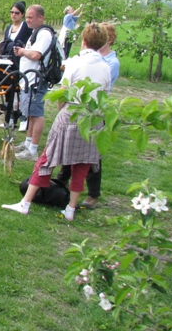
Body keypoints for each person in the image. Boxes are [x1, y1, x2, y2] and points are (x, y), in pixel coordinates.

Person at [2, 23, 111, 221]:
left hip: (72, 113)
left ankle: (25, 203)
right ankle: (70, 208)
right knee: (83, 163)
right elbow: (104, 93)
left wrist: (62, 111)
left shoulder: (75, 63)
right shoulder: (105, 66)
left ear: (84, 41)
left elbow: (64, 92)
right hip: (93, 118)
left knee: (47, 158)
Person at [56, 22, 120, 209]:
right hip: (79, 108)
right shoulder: (94, 59)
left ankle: (93, 193)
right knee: (72, 144)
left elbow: (100, 86)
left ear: (109, 39)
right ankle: (62, 178)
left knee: (92, 154)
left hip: (93, 110)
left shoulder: (110, 63)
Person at [13, 5, 53, 161]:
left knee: (36, 114)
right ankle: (28, 143)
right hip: (29, 80)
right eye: (27, 17)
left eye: (30, 17)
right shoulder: (36, 33)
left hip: (36, 80)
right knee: (30, 113)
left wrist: (22, 52)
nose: (27, 20)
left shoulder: (44, 34)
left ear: (40, 17)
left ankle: (33, 150)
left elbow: (36, 55)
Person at [1, 1, 33, 131]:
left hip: (21, 61)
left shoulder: (26, 28)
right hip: (9, 61)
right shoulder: (9, 28)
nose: (14, 15)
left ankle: (23, 118)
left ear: (22, 14)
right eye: (12, 12)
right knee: (9, 89)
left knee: (21, 90)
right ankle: (9, 118)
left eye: (17, 13)